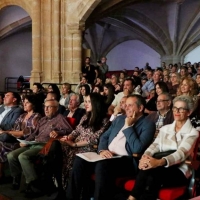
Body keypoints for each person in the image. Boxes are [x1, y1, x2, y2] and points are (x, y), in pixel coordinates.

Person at [66, 94, 156, 200]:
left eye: (130, 105)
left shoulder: (148, 124)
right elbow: (104, 136)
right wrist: (102, 150)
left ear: (140, 108)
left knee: (102, 165)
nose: (126, 107)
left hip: (127, 161)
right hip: (107, 156)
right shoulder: (120, 119)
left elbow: (137, 148)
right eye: (125, 105)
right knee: (79, 160)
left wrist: (128, 126)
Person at [127, 95, 199, 200]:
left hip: (180, 170)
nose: (177, 111)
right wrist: (145, 157)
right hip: (158, 166)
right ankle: (133, 198)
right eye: (175, 108)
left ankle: (132, 197)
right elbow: (155, 146)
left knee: (152, 174)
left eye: (181, 109)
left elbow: (181, 153)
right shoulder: (165, 128)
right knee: (148, 169)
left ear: (189, 112)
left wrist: (159, 162)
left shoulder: (192, 132)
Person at [7, 99, 73, 197]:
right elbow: (34, 133)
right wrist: (26, 141)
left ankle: (35, 185)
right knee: (11, 155)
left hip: (45, 145)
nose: (46, 109)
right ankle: (16, 179)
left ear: (56, 108)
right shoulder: (43, 119)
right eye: (45, 107)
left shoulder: (60, 118)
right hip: (33, 143)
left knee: (23, 157)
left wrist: (58, 132)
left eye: (49, 107)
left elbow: (70, 130)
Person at [60, 93, 110, 189]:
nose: (86, 104)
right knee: (58, 149)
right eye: (85, 101)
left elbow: (94, 138)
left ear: (96, 104)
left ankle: (71, 190)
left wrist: (75, 144)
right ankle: (61, 188)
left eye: (89, 102)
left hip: (88, 148)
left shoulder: (104, 120)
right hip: (75, 143)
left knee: (72, 156)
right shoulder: (85, 116)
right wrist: (69, 137)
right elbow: (77, 130)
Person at [0, 95, 42, 185]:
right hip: (19, 141)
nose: (24, 104)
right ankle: (16, 177)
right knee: (10, 155)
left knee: (6, 149)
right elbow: (15, 129)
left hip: (30, 142)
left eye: (27, 102)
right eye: (24, 102)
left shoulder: (36, 116)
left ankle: (30, 182)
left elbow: (26, 132)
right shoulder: (23, 115)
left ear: (33, 105)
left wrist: (6, 131)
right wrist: (8, 132)